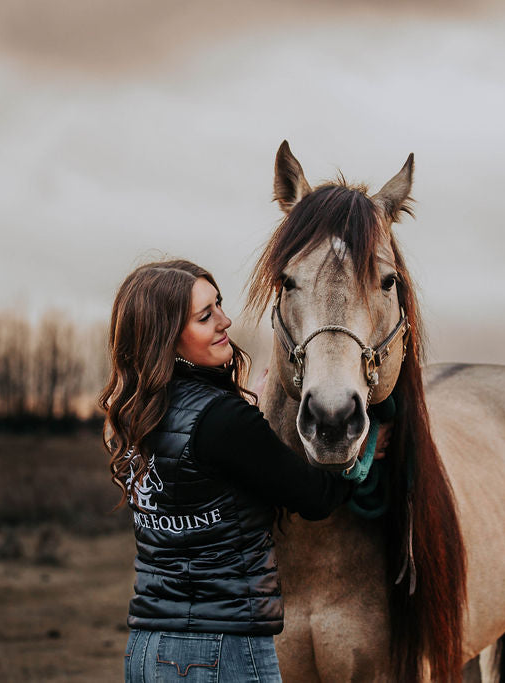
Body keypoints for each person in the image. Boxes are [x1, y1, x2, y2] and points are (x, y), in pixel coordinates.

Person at [99, 259, 372, 682]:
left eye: (219, 305)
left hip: (147, 648)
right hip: (220, 649)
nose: (225, 321)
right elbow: (317, 497)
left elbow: (204, 466)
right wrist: (361, 455)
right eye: (204, 316)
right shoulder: (224, 421)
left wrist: (248, 418)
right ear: (166, 338)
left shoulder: (132, 416)